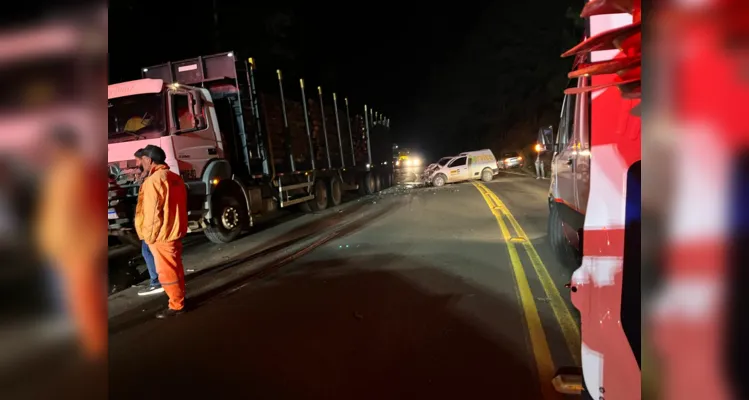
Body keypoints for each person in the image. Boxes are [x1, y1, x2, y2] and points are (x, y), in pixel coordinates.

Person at [35, 127, 107, 359]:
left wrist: (96, 240)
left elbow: (95, 207)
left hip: (81, 244)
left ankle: (96, 345)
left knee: (86, 295)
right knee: (75, 297)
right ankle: (90, 340)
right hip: (64, 245)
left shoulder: (81, 169)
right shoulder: (58, 172)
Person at [135, 145, 188, 318]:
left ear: (149, 160)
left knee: (166, 271)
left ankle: (176, 305)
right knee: (175, 267)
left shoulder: (153, 181)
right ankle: (179, 299)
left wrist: (148, 238)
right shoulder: (174, 178)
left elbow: (152, 213)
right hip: (174, 230)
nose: (141, 164)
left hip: (160, 235)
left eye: (142, 160)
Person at [133, 148, 163, 296]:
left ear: (148, 160)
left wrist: (150, 231)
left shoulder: (153, 179)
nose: (137, 163)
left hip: (152, 225)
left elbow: (152, 207)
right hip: (150, 224)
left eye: (139, 160)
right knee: (150, 251)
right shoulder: (153, 177)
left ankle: (157, 281)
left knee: (149, 251)